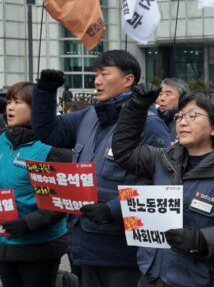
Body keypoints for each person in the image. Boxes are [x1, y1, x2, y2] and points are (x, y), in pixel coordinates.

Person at [31, 50, 171, 287]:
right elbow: (49, 132)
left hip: (122, 250)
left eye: (105, 74)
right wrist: (45, 92)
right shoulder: (91, 116)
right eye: (96, 74)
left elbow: (161, 185)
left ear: (128, 80)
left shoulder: (150, 125)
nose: (97, 81)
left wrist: (111, 210)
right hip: (83, 243)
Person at [112, 85, 214, 287]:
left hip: (204, 281)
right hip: (153, 277)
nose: (183, 122)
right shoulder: (163, 159)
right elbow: (124, 152)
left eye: (193, 116)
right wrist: (137, 107)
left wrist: (202, 240)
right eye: (180, 116)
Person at [0, 82, 72, 287]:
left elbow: (60, 199)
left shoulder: (53, 147)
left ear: (38, 108)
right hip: (5, 245)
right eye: (9, 102)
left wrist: (27, 223)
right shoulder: (2, 140)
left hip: (39, 247)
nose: (10, 107)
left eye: (18, 102)